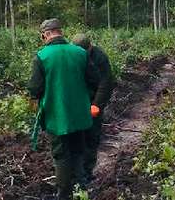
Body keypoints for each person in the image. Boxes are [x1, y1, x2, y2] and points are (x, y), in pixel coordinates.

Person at [28, 19, 98, 200]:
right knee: (78, 150)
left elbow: (35, 89)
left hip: (56, 116)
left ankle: (64, 194)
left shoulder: (42, 56)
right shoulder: (80, 53)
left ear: (46, 34)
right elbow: (94, 80)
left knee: (61, 154)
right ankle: (82, 189)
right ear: (60, 32)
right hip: (80, 115)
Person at [72, 33, 115, 182]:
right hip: (77, 101)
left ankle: (88, 172)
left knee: (92, 137)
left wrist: (96, 104)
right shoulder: (71, 55)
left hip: (93, 100)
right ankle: (76, 174)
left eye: (86, 51)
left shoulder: (99, 57)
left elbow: (106, 82)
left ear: (90, 47)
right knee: (76, 138)